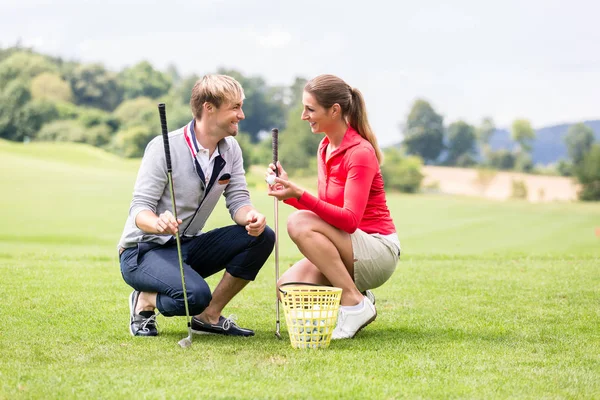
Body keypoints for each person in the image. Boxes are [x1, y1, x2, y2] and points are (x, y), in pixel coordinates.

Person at [118, 74, 275, 337]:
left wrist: (251, 216)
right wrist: (157, 223)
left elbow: (238, 200)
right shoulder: (163, 147)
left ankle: (208, 317)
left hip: (188, 245)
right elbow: (139, 209)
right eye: (235, 107)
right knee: (195, 296)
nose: (242, 115)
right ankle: (144, 301)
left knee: (262, 237)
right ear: (209, 108)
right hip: (142, 251)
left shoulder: (231, 149)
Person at [266, 74, 400, 339]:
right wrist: (287, 190)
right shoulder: (325, 147)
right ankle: (360, 295)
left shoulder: (359, 152)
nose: (304, 116)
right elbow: (327, 210)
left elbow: (349, 220)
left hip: (378, 250)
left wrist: (300, 195)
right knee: (288, 290)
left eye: (310, 109)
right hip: (350, 246)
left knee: (297, 222)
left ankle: (353, 302)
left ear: (334, 110)